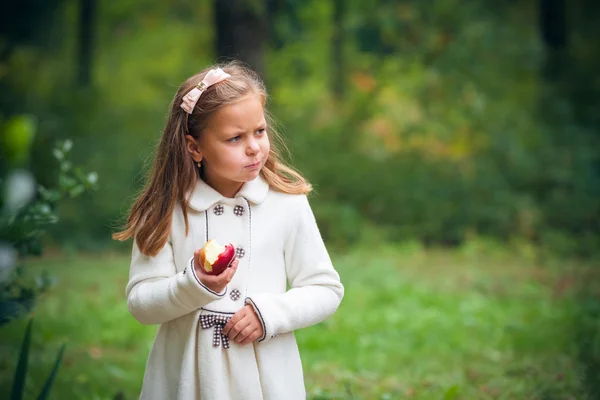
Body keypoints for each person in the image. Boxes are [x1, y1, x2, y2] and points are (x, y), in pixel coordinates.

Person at [113, 61, 344, 400]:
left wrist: (269, 314)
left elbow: (325, 288)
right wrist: (193, 284)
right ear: (195, 147)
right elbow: (141, 304)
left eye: (259, 131)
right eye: (235, 138)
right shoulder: (166, 210)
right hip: (186, 380)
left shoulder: (286, 204)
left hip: (266, 379)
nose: (254, 147)